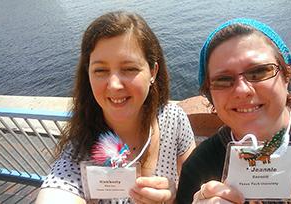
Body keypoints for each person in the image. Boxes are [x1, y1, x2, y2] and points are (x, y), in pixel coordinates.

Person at [177, 18, 291, 203]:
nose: (242, 90)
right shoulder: (199, 170)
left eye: (259, 72)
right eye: (223, 79)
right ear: (210, 95)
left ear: (286, 75)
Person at [36, 11, 195, 204]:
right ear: (88, 74)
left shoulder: (173, 119)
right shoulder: (80, 152)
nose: (114, 85)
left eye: (129, 69)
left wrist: (176, 195)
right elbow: (58, 191)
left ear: (153, 71)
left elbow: (195, 183)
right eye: (101, 70)